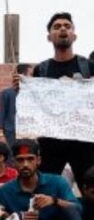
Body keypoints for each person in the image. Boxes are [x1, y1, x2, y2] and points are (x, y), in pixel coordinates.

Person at [23, 12, 94, 180]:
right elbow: (35, 105)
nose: (63, 29)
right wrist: (22, 90)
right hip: (51, 141)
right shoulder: (42, 69)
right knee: (46, 188)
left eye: (67, 26)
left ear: (74, 35)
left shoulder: (89, 67)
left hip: (84, 141)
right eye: (57, 26)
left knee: (91, 188)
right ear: (49, 37)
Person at [0, 139, 86, 220]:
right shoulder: (5, 191)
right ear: (14, 163)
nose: (25, 165)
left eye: (30, 159)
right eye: (20, 160)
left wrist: (54, 201)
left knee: (70, 210)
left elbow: (77, 210)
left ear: (38, 161)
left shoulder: (57, 182)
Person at [0, 64, 31, 148]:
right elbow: (1, 115)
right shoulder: (6, 94)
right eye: (30, 75)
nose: (32, 78)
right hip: (11, 133)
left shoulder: (32, 95)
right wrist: (1, 134)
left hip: (28, 133)